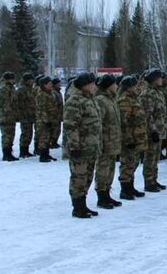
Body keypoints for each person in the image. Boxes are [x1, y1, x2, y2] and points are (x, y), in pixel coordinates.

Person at [63, 72, 102, 219]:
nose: (94, 87)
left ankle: (83, 204)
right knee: (78, 176)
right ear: (85, 85)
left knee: (88, 176)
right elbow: (70, 125)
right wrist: (74, 146)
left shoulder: (90, 99)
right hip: (80, 146)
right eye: (92, 84)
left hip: (90, 146)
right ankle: (77, 207)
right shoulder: (75, 100)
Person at [94, 74, 123, 209]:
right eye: (114, 84)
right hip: (105, 140)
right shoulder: (101, 100)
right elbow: (98, 123)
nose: (116, 86)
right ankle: (101, 196)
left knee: (110, 168)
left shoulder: (111, 99)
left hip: (113, 140)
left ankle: (107, 193)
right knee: (103, 168)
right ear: (108, 86)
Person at [117, 76, 147, 200]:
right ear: (128, 88)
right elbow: (125, 122)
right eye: (134, 86)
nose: (137, 88)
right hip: (130, 138)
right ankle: (125, 189)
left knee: (133, 162)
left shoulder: (134, 99)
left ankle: (130, 187)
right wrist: (128, 139)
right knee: (127, 163)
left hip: (137, 136)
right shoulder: (124, 100)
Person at [139, 69, 167, 192]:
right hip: (152, 131)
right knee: (150, 157)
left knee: (156, 157)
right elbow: (147, 114)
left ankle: (154, 179)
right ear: (154, 80)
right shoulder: (148, 94)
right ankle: (148, 181)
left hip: (160, 129)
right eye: (159, 78)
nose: (162, 80)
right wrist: (153, 130)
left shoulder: (158, 92)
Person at [35, 76, 60, 162]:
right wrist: (46, 120)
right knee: (43, 138)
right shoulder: (41, 94)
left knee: (48, 138)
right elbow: (41, 109)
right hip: (43, 120)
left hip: (51, 119)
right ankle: (43, 155)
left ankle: (46, 154)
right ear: (44, 85)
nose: (51, 85)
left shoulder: (51, 93)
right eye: (49, 84)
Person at [0, 72, 19, 161]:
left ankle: (9, 152)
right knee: (6, 136)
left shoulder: (11, 88)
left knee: (11, 135)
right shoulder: (4, 89)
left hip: (11, 116)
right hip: (6, 117)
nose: (14, 80)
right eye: (12, 79)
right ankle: (6, 154)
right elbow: (6, 104)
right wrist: (11, 113)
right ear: (8, 79)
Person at [16, 72, 36, 157]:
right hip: (24, 115)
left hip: (30, 115)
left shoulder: (31, 89)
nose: (32, 82)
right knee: (25, 133)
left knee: (29, 133)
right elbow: (19, 103)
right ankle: (23, 151)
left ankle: (26, 150)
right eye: (31, 80)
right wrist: (22, 113)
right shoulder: (22, 90)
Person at [50, 78, 63, 148]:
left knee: (57, 129)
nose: (60, 85)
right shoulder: (53, 92)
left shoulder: (58, 92)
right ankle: (53, 142)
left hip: (58, 114)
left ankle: (55, 141)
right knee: (54, 129)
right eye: (58, 84)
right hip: (55, 115)